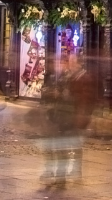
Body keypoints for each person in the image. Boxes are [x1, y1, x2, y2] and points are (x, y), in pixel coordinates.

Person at [40, 51, 96, 187]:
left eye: (69, 62)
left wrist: (82, 115)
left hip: (70, 117)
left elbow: (81, 99)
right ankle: (54, 173)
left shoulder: (78, 77)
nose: (67, 64)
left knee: (68, 146)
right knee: (55, 146)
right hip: (58, 116)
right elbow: (47, 92)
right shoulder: (57, 76)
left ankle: (64, 175)